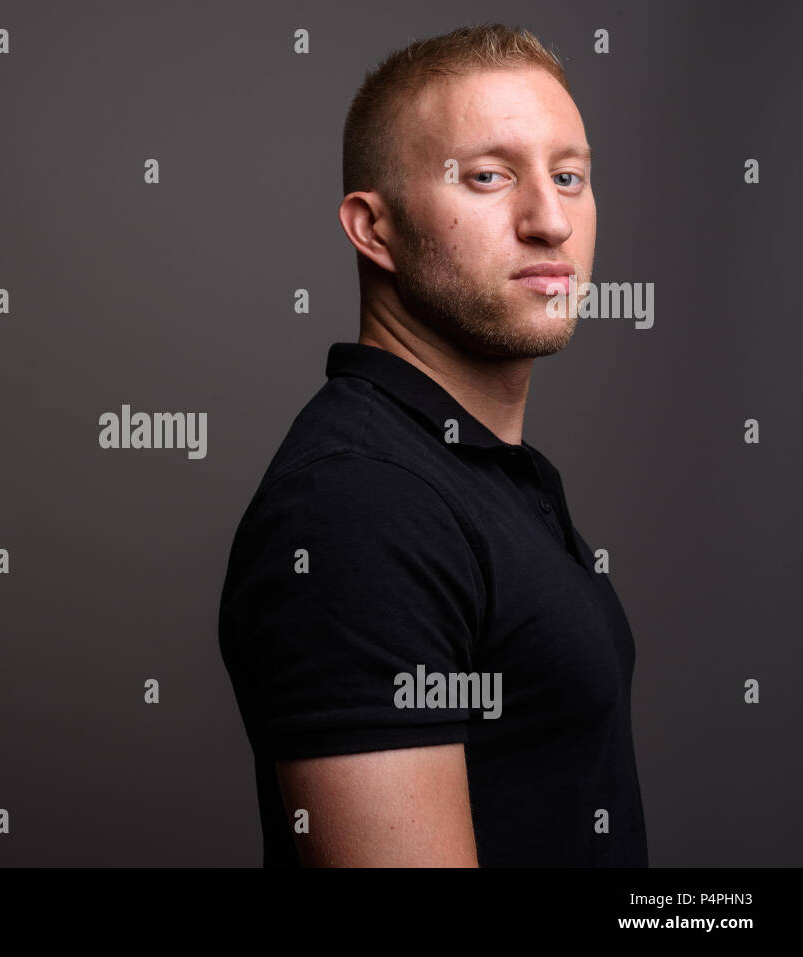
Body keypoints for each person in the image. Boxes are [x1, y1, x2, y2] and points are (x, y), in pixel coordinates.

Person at [217, 23, 647, 867]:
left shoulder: (469, 471)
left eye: (569, 177)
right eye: (488, 177)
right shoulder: (360, 504)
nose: (551, 221)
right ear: (373, 230)